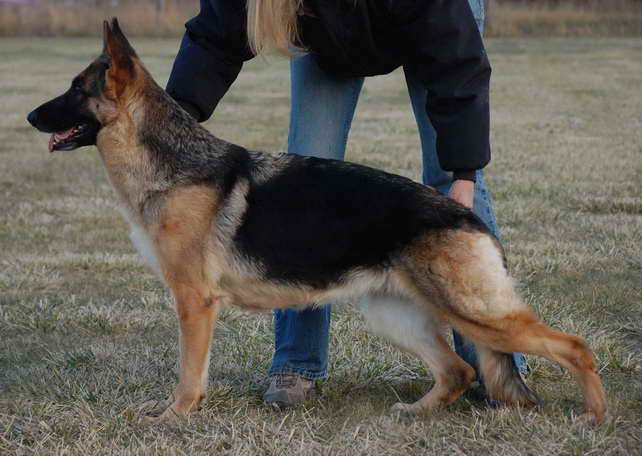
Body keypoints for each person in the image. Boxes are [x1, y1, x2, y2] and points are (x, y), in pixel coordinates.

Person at [166, 0, 526, 407]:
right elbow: (216, 33)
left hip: (436, 21)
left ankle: (499, 372)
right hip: (326, 33)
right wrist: (171, 121)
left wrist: (463, 174)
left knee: (452, 181)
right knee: (302, 176)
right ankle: (297, 364)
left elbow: (457, 65)